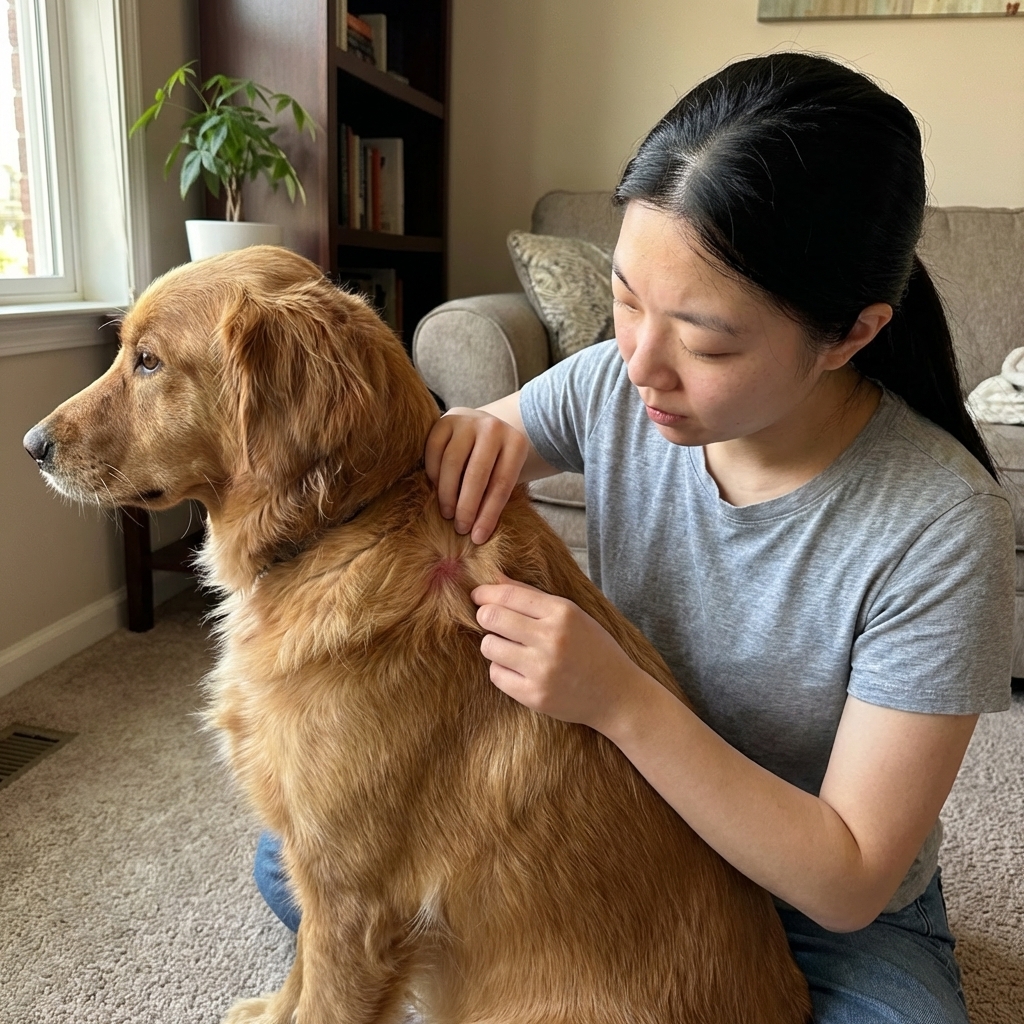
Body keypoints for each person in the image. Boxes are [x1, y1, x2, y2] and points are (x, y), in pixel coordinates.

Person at [255, 53, 1015, 1023]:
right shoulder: (612, 382)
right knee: (309, 863)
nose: (642, 364)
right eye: (623, 297)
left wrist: (618, 698)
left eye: (706, 341)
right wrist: (451, 437)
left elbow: (850, 876)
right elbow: (437, 469)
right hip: (613, 837)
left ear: (851, 334)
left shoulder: (940, 525)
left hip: (823, 900)